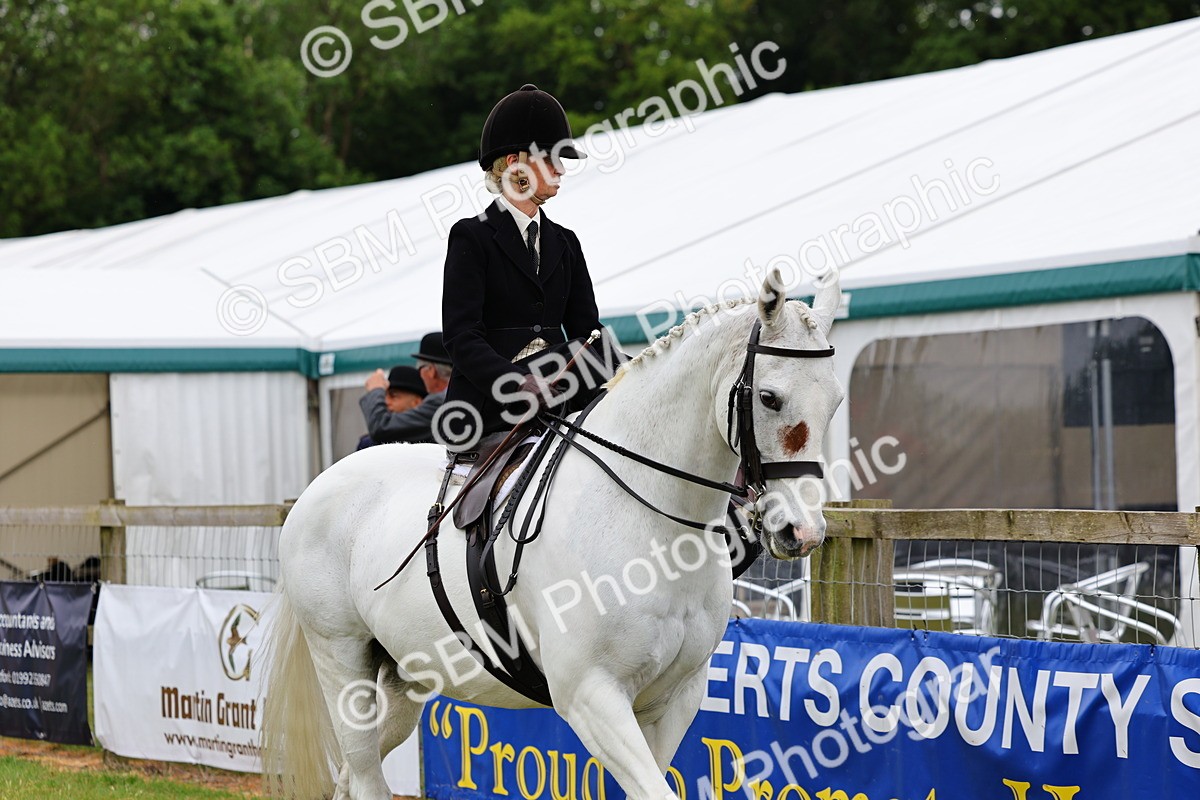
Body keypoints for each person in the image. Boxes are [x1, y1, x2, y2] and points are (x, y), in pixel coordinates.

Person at [442, 83, 608, 442]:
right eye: (550, 159)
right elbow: (461, 336)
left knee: (611, 357)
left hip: (559, 392)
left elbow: (587, 331)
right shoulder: (471, 236)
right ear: (516, 164)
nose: (561, 170)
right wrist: (515, 381)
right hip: (492, 398)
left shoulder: (566, 242)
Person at [357, 333, 453, 447]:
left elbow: (382, 427)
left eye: (394, 396)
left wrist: (375, 389)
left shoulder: (441, 402)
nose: (387, 402)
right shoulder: (455, 397)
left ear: (431, 371)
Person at [357, 365, 427, 449]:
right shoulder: (368, 444)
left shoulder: (431, 442)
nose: (386, 402)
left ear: (417, 402)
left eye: (393, 396)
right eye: (384, 396)